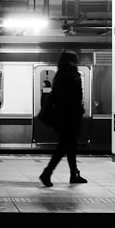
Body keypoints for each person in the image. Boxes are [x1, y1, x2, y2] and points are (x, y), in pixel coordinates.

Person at [38, 52, 88, 186]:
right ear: (71, 62)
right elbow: (72, 98)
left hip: (64, 117)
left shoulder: (60, 75)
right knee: (63, 147)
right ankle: (47, 173)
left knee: (71, 147)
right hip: (69, 118)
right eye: (75, 61)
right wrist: (78, 110)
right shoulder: (70, 76)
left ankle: (74, 174)